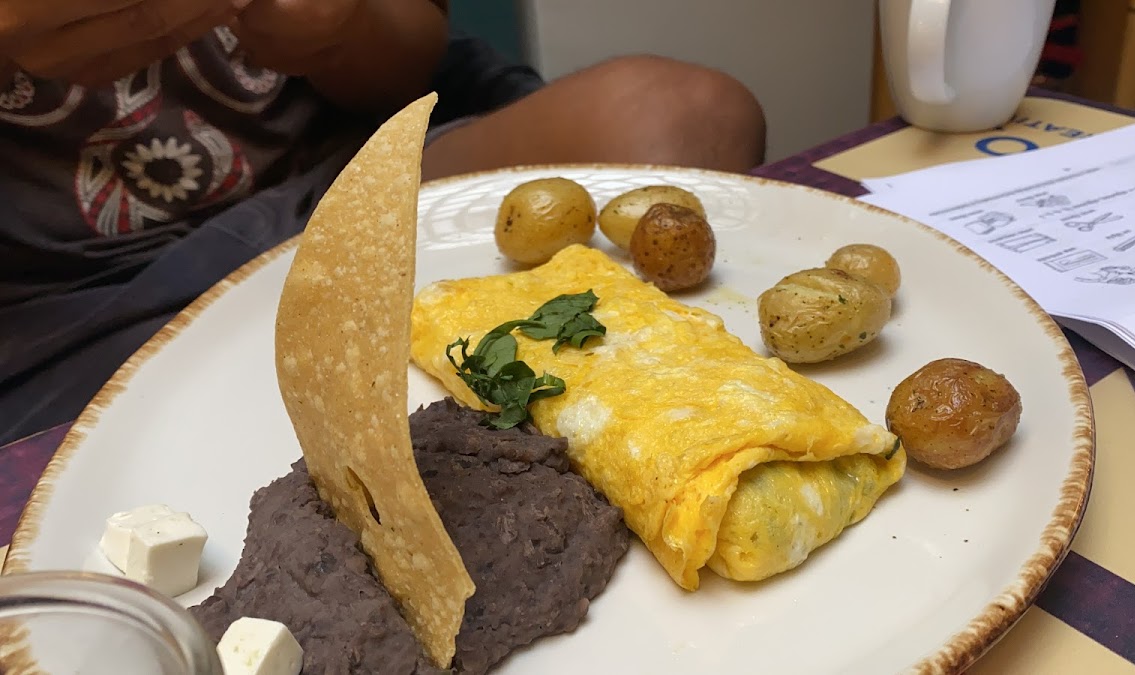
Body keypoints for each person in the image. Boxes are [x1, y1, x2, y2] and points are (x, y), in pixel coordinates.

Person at [0, 0, 766, 445]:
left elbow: (405, 61)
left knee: (687, 118)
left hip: (346, 173)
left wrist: (339, 26)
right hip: (63, 298)